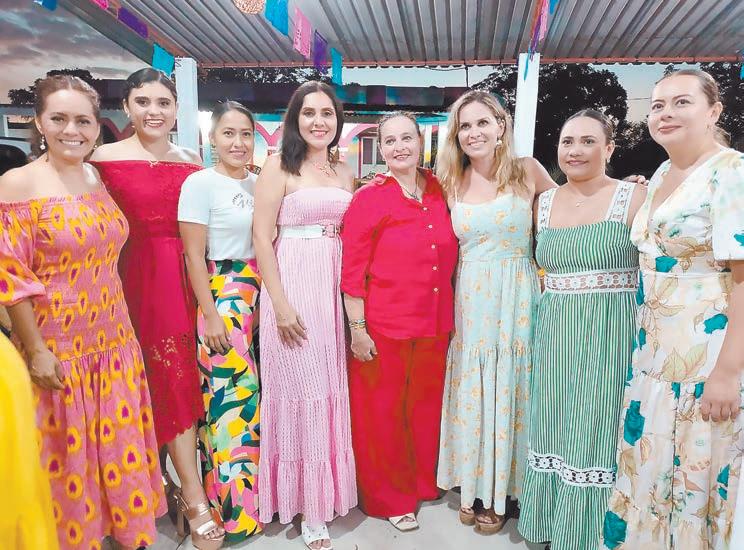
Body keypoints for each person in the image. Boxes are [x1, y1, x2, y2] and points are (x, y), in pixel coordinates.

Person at [0, 74, 165, 550]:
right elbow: (11, 278)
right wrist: (36, 350)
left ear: (97, 126)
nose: (71, 130)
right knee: (67, 458)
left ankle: (124, 533)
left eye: (83, 121)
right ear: (39, 122)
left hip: (113, 339)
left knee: (115, 447)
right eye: (59, 118)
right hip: (59, 347)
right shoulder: (17, 184)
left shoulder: (94, 176)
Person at [602, 69, 744, 550]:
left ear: (714, 111)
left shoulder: (731, 172)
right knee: (652, 468)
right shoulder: (664, 172)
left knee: (694, 477)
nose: (665, 113)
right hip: (655, 355)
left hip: (705, 357)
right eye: (658, 105)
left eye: (681, 102)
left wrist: (727, 373)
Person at [90, 68, 222, 549]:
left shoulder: (192, 160)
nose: (153, 111)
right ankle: (162, 493)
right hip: (125, 280)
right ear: (126, 106)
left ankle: (188, 493)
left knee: (177, 381)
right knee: (134, 388)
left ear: (176, 110)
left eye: (163, 103)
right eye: (143, 102)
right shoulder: (101, 159)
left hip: (183, 278)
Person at [516, 109, 646, 550]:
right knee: (553, 422)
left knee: (598, 427)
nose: (575, 150)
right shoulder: (543, 203)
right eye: (568, 141)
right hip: (554, 333)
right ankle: (551, 523)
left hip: (612, 333)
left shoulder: (634, 197)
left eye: (588, 141)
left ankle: (589, 533)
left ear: (610, 148)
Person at [436, 90, 555, 533]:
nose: (474, 133)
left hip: (518, 294)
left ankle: (507, 489)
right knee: (476, 385)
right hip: (470, 297)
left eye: (482, 122)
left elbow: (572, 211)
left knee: (512, 384)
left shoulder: (527, 171)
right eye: (465, 126)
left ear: (501, 126)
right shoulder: (451, 180)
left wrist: (624, 188)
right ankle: (473, 483)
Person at [341, 111, 459, 531]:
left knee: (424, 409)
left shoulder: (440, 188)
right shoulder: (369, 198)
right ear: (380, 148)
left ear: (420, 141)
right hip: (384, 326)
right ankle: (389, 496)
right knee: (383, 414)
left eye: (406, 138)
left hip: (435, 324)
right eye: (389, 141)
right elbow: (352, 272)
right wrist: (357, 330)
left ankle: (422, 481)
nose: (399, 147)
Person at [253, 81, 357, 550]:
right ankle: (304, 507)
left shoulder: (345, 171)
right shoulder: (279, 165)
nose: (319, 121)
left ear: (338, 120)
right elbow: (261, 236)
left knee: (328, 388)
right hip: (292, 286)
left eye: (327, 113)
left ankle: (320, 496)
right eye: (309, 113)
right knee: (301, 389)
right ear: (294, 119)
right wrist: (278, 304)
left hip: (331, 287)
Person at [178, 100, 262, 543]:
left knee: (253, 408)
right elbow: (193, 256)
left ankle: (256, 502)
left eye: (245, 133)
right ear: (212, 138)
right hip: (224, 296)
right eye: (228, 133)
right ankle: (234, 516)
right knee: (231, 409)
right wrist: (210, 314)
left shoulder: (259, 183)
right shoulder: (200, 183)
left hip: (259, 295)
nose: (238, 142)